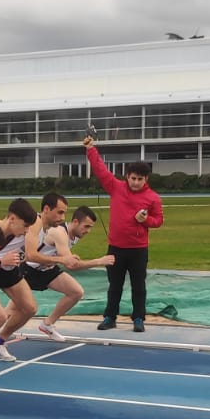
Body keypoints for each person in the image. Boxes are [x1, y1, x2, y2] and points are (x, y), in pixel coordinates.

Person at [83, 134, 164, 332]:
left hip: (138, 249)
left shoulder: (153, 198)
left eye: (140, 179)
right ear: (127, 176)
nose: (135, 182)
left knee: (139, 286)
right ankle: (110, 317)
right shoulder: (116, 188)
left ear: (146, 179)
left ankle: (138, 318)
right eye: (133, 178)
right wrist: (90, 149)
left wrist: (146, 221)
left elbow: (159, 221)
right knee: (114, 285)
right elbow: (101, 170)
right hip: (116, 248)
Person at [26, 204, 113, 341]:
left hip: (48, 270)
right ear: (75, 222)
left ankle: (47, 324)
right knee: (16, 310)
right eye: (86, 226)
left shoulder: (75, 234)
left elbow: (67, 260)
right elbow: (71, 265)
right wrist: (99, 261)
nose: (88, 231)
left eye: (90, 227)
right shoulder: (60, 233)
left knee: (76, 292)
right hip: (29, 270)